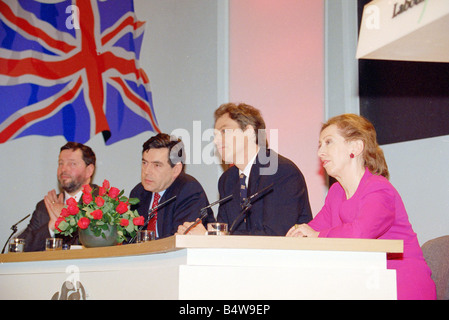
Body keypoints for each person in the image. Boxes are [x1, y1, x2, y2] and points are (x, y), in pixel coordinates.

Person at [286, 113, 436, 300]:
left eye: (328, 142)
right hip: (366, 283)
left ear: (356, 147)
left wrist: (315, 235)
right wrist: (298, 234)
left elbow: (360, 234)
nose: (320, 152)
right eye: (319, 145)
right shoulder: (336, 193)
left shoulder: (379, 188)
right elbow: (313, 229)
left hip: (399, 284)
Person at [178, 102, 312, 236]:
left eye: (224, 132)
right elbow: (226, 232)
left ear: (249, 132)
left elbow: (274, 234)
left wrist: (208, 236)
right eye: (215, 135)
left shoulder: (280, 171)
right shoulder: (227, 180)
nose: (216, 141)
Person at [129, 133, 214, 239]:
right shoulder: (139, 193)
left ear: (176, 169)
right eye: (144, 163)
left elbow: (178, 241)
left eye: (157, 165)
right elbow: (130, 239)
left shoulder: (188, 190)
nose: (147, 171)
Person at [19, 142, 96, 251]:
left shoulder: (103, 202)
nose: (63, 169)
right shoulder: (45, 207)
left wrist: (68, 219)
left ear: (89, 170)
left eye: (72, 164)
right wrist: (51, 226)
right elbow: (20, 247)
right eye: (60, 163)